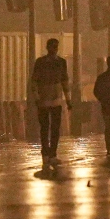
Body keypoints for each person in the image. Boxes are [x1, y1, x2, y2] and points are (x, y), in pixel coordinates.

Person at [30, 38, 72, 169]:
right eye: (53, 47)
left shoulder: (59, 62)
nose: (54, 49)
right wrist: (36, 96)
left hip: (54, 100)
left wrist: (68, 99)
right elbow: (34, 81)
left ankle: (51, 154)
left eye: (56, 47)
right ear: (48, 48)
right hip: (44, 100)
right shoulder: (42, 62)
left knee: (53, 128)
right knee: (46, 128)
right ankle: (47, 154)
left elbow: (64, 82)